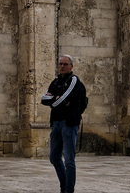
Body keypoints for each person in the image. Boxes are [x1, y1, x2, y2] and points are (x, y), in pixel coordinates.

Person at [41, 55, 87, 193]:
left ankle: (68, 190)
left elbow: (64, 98)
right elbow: (43, 99)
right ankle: (64, 186)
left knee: (68, 159)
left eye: (65, 64)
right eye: (60, 64)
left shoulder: (74, 81)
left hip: (69, 123)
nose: (62, 66)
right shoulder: (55, 82)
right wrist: (57, 100)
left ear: (71, 66)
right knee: (54, 157)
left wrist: (54, 101)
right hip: (56, 123)